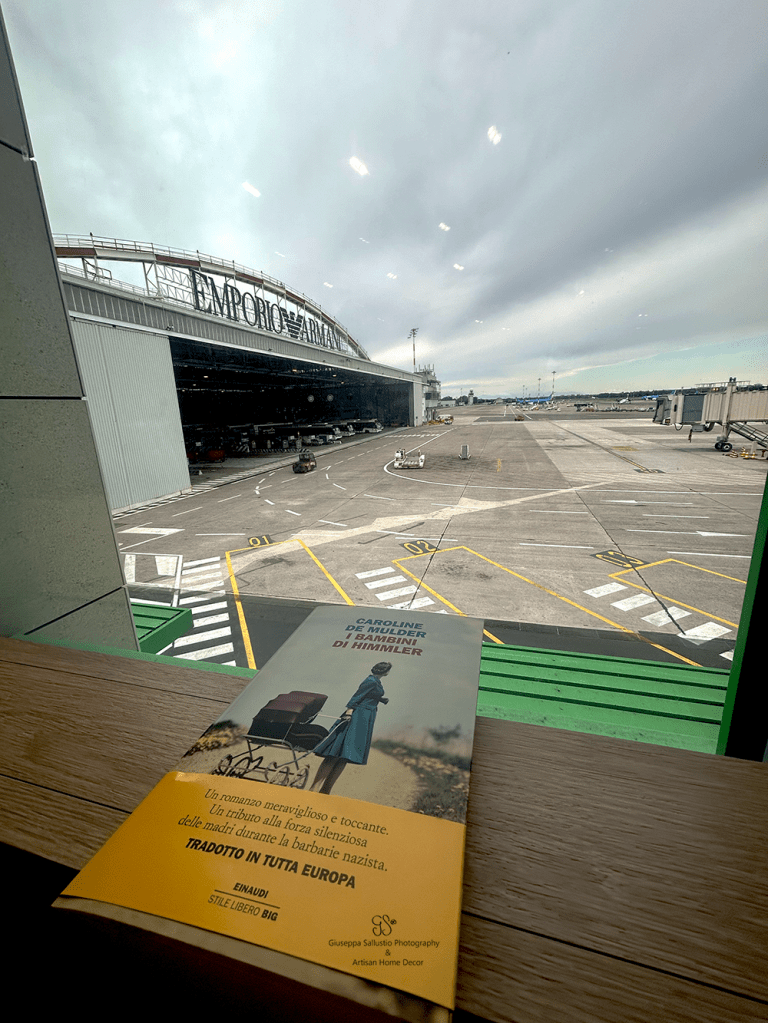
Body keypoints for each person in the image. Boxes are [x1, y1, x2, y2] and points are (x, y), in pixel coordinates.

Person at [310, 662, 391, 794]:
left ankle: (326, 790)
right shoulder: (370, 681)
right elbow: (358, 695)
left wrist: (380, 699)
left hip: (366, 717)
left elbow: (369, 695)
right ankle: (314, 788)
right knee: (336, 753)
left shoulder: (375, 681)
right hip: (357, 715)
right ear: (385, 671)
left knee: (345, 756)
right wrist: (349, 710)